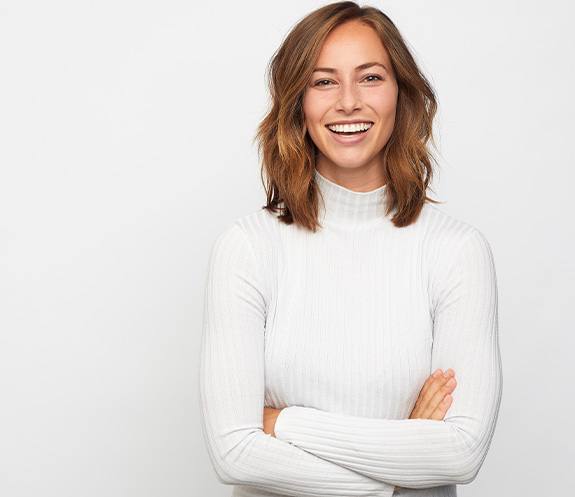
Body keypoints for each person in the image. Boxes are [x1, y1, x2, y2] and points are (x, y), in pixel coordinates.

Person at [198, 2, 502, 497]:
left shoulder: (455, 250)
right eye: (323, 81)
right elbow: (235, 453)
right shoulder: (249, 247)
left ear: (400, 94)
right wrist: (402, 470)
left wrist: (283, 424)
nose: (348, 102)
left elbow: (460, 453)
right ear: (298, 101)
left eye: (370, 78)